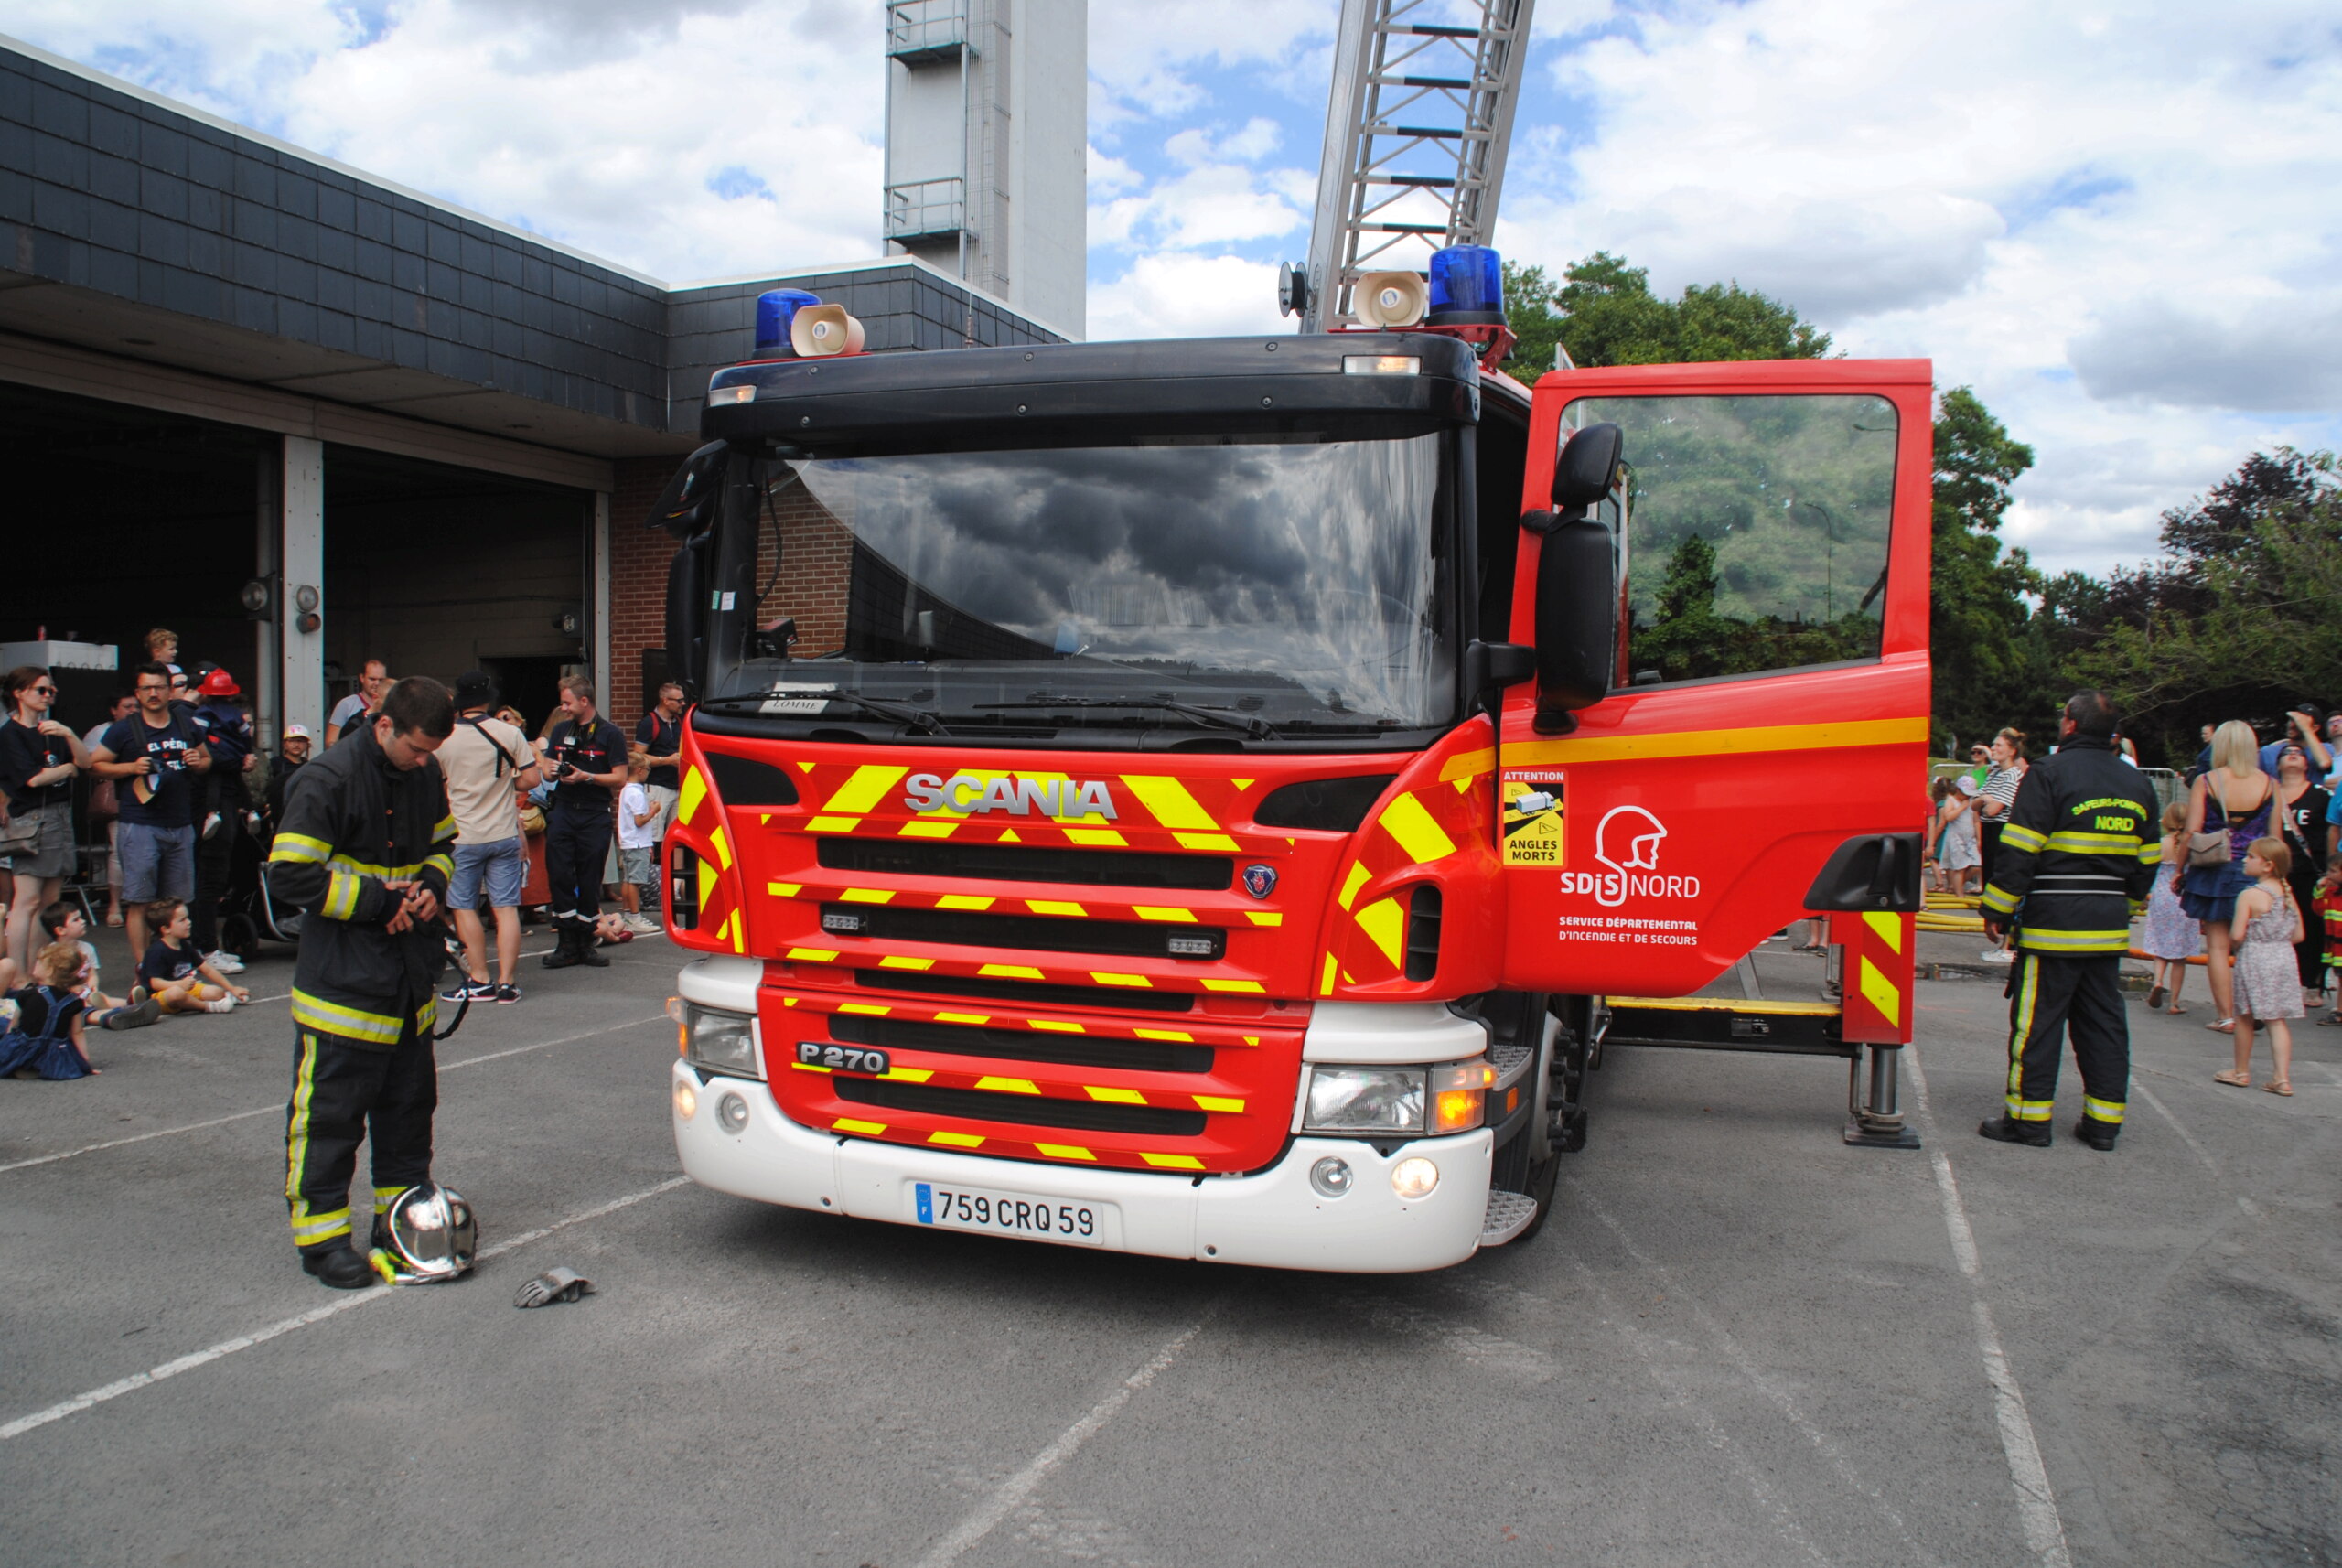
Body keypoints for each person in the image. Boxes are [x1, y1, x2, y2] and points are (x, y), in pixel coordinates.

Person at [265, 676, 458, 1290]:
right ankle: (320, 1242)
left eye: (433, 753)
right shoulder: (327, 781)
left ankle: (397, 1223)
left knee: (407, 1115)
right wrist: (378, 902)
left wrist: (430, 887)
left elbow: (445, 845)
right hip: (344, 986)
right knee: (330, 1119)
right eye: (417, 749)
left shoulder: (424, 775)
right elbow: (290, 877)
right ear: (383, 726)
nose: (426, 763)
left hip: (406, 980)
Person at [1976, 691, 2158, 1151]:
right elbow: (2148, 861)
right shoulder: (2137, 784)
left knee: (2037, 1024)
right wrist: (2123, 906)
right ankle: (2103, 1126)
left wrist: (1996, 908)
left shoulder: (2049, 774)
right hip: (2107, 927)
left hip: (2052, 926)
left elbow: (2019, 847)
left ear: (2071, 725)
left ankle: (2028, 1121)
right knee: (2103, 1026)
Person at [89, 662, 211, 970]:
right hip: (140, 824)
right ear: (138, 693)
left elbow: (208, 759)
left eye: (159, 687)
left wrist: (199, 761)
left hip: (181, 824)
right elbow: (94, 765)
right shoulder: (124, 729)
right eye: (147, 688)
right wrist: (130, 768)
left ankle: (177, 965)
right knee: (140, 901)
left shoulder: (186, 724)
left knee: (178, 903)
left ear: (170, 691)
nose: (153, 693)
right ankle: (144, 970)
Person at [436, 671, 540, 1004]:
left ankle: (479, 979)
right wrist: (507, 785)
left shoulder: (444, 738)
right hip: (504, 832)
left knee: (463, 906)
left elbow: (436, 784)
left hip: (463, 834)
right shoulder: (509, 732)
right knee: (506, 907)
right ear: (487, 699)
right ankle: (507, 982)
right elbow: (532, 779)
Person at [2181, 720, 2275, 1036]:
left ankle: (2226, 1015)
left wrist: (2180, 870)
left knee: (2218, 946)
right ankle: (2254, 1007)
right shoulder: (2270, 784)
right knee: (2253, 945)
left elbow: (2191, 832)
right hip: (2256, 871)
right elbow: (2275, 838)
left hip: (2214, 873)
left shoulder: (2207, 781)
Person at [533, 675, 628, 971]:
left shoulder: (610, 734)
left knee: (589, 877)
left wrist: (586, 775)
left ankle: (586, 942)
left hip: (594, 812)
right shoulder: (562, 730)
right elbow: (548, 772)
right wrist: (550, 771)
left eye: (567, 703)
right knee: (559, 874)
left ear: (584, 701)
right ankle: (566, 943)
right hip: (563, 808)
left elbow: (620, 777)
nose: (563, 708)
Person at [0, 666, 90, 974]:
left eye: (51, 690)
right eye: (41, 690)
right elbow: (33, 779)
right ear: (19, 692)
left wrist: (68, 733)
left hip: (60, 814)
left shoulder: (52, 729)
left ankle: (42, 971)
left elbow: (86, 761)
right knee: (26, 900)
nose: (48, 695)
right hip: (33, 818)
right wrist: (66, 770)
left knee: (50, 901)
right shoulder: (10, 733)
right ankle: (18, 974)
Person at [2217, 838, 2304, 1097]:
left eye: (2250, 856)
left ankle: (2241, 1071)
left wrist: (2250, 940)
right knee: (2277, 1019)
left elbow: (2236, 934)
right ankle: (2282, 1078)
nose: (2244, 859)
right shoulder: (2287, 893)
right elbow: (2298, 934)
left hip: (2255, 957)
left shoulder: (2250, 895)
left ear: (2267, 865)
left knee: (2245, 1016)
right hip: (2283, 957)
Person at [188, 667, 256, 976]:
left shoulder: (200, 715)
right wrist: (241, 759)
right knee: (210, 878)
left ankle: (205, 947)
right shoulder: (232, 718)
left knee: (211, 878)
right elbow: (234, 752)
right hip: (215, 800)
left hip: (220, 798)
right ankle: (205, 949)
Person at [26, 899, 159, 1031]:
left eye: (81, 918)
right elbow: (45, 979)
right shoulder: (51, 952)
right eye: (76, 920)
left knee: (104, 999)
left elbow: (91, 973)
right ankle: (115, 1015)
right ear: (60, 930)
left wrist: (93, 985)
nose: (83, 922)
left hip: (85, 991)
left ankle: (133, 1004)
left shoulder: (87, 948)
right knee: (84, 1007)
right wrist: (70, 990)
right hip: (64, 996)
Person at [2272, 741, 2330, 1000]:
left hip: (2310, 872)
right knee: (2277, 928)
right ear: (2278, 764)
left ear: (2307, 763)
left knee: (2311, 928)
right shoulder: (2271, 794)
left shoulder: (2320, 795)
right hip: (2277, 871)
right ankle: (2281, 982)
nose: (2293, 756)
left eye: (2299, 753)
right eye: (2287, 753)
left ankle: (2311, 983)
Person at [0, 942, 101, 1079]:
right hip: (54, 1053)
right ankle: (37, 1067)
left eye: (39, 962)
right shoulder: (75, 1002)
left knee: (5, 1026)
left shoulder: (28, 994)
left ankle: (21, 1065)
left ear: (50, 971)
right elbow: (77, 1033)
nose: (36, 964)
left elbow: (13, 1026)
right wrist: (85, 1063)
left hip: (23, 1048)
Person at [134, 897, 249, 1014]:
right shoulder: (156, 951)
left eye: (187, 918)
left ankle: (219, 998)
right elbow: (155, 983)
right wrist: (179, 984)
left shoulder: (184, 945)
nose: (189, 922)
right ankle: (208, 1006)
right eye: (182, 920)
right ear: (166, 929)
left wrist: (231, 988)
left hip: (184, 988)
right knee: (176, 994)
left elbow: (207, 969)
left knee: (216, 992)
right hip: (160, 995)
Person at [2140, 800, 2201, 1015]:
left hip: (2161, 898)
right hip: (2183, 898)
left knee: (2160, 947)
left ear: (2165, 822)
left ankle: (2157, 981)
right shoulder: (2191, 845)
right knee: (2179, 956)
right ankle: (2174, 1001)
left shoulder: (2160, 844)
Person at [1974, 728, 2028, 962]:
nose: (1993, 749)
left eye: (1998, 745)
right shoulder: (1995, 773)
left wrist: (1986, 801)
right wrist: (1986, 801)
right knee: (1990, 882)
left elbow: (1993, 809)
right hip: (1989, 831)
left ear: (2012, 750)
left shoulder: (2013, 775)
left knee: (2003, 884)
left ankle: (2008, 944)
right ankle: (1999, 934)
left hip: (2001, 832)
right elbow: (1976, 804)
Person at [83, 692, 135, 925]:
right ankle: (114, 903)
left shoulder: (146, 727)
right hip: (118, 796)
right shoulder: (100, 732)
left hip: (147, 795)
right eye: (127, 706)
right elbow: (89, 762)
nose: (133, 710)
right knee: (118, 850)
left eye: (136, 706)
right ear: (114, 710)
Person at [616, 748, 662, 934]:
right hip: (637, 842)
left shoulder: (626, 790)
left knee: (628, 880)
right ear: (640, 770)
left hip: (628, 841)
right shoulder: (636, 793)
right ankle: (635, 916)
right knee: (635, 881)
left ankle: (628, 913)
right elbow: (639, 820)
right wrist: (653, 811)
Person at [637, 681, 686, 825]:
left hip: (677, 787)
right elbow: (638, 757)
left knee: (676, 834)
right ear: (665, 701)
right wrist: (667, 760)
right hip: (657, 786)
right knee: (654, 833)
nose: (683, 703)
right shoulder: (649, 723)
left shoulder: (679, 722)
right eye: (679, 700)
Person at [324, 660, 391, 748]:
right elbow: (330, 742)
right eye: (372, 679)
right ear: (362, 678)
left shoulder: (392, 706)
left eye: (381, 680)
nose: (377, 683)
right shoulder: (346, 704)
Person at [1939, 775, 1982, 897]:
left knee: (1977, 865)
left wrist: (1979, 839)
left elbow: (1976, 820)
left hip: (1970, 839)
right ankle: (1959, 894)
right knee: (1960, 868)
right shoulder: (1951, 800)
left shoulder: (1971, 802)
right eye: (1965, 793)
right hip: (1956, 838)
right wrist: (1962, 807)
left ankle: (1955, 885)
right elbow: (1948, 817)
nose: (1967, 797)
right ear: (1957, 790)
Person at [264, 724, 312, 829]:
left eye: (300, 741)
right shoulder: (275, 763)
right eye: (292, 741)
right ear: (285, 744)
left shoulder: (310, 767)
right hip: (280, 812)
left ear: (307, 745)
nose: (296, 744)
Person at [2315, 854, 2342, 1028]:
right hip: (2335, 945)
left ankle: (2340, 1010)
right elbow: (2319, 910)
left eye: (2333, 871)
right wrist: (2319, 890)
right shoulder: (2331, 892)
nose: (2328, 874)